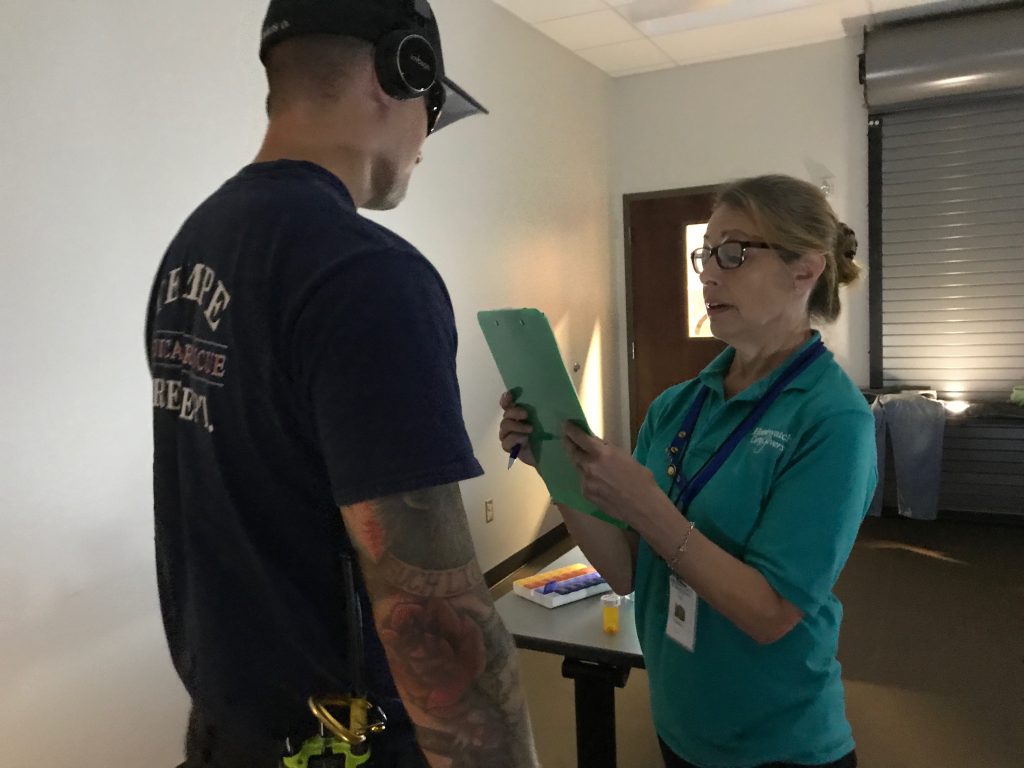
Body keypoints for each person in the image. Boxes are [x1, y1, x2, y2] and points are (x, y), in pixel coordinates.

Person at [146, 1, 538, 766]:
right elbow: (434, 621)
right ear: (402, 71)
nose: (425, 147)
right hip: (341, 747)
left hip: (228, 736)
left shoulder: (194, 247)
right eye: (433, 114)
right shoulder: (368, 277)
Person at [500, 175, 875, 768]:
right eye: (706, 254)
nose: (708, 274)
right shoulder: (677, 405)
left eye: (735, 253)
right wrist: (552, 462)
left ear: (805, 269)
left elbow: (770, 614)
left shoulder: (833, 419)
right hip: (679, 725)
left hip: (780, 742)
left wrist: (649, 507)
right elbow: (626, 570)